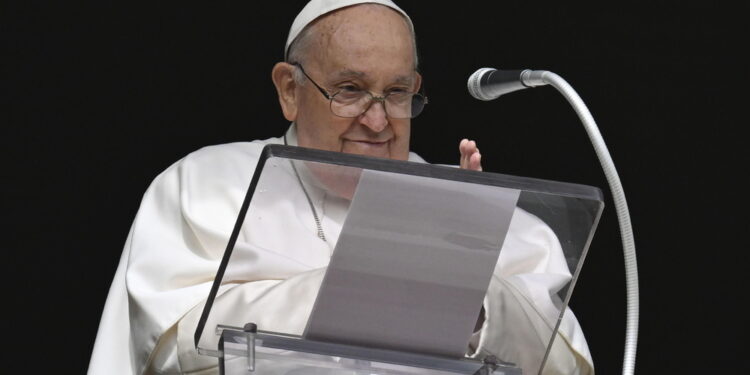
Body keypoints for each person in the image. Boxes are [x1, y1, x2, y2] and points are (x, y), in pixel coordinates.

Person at [88, 1, 593, 374]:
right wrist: (382, 283)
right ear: (290, 89)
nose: (377, 121)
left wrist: (468, 285)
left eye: (396, 93)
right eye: (350, 90)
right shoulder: (203, 185)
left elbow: (564, 366)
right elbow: (169, 352)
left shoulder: (472, 208)